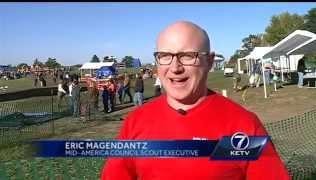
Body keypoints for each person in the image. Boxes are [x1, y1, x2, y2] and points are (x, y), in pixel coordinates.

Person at [101, 21, 290, 180]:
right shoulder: (136, 122)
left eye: (187, 56)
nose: (175, 67)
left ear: (209, 61)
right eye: (165, 56)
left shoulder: (243, 127)